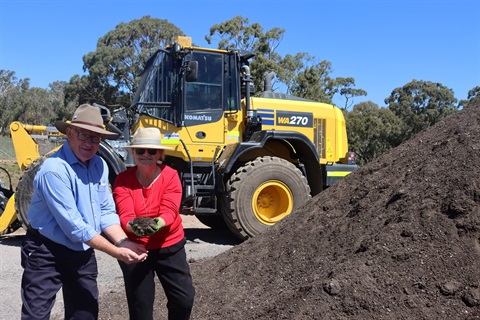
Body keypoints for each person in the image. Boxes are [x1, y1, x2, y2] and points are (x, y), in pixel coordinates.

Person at [20, 104, 148, 320]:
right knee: (36, 315)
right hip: (46, 251)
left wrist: (123, 242)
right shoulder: (54, 170)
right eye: (83, 135)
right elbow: (75, 227)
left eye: (95, 138)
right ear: (69, 133)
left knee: (85, 313)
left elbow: (105, 211)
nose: (89, 143)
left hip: (82, 250)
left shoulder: (99, 165)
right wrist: (116, 253)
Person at [113, 127, 195, 320]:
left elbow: (170, 210)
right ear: (133, 152)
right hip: (136, 248)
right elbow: (125, 214)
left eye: (151, 151)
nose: (146, 155)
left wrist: (159, 223)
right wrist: (133, 226)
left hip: (169, 246)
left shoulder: (171, 176)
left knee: (184, 299)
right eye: (140, 151)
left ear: (160, 153)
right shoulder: (122, 180)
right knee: (140, 309)